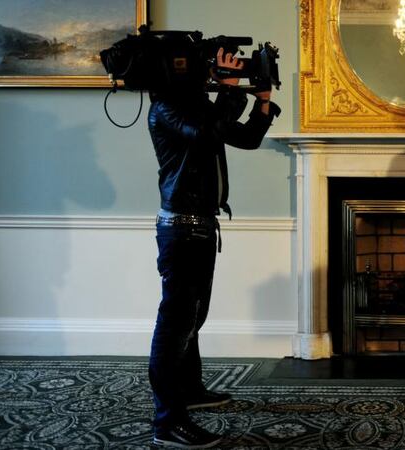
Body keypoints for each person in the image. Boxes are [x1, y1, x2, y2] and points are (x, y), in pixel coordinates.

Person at [148, 48, 279, 448]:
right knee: (175, 324)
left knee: (193, 317)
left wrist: (261, 101)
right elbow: (205, 133)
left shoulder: (196, 108)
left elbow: (247, 139)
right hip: (181, 229)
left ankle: (189, 391)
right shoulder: (167, 108)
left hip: (200, 226)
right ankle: (168, 420)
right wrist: (229, 90)